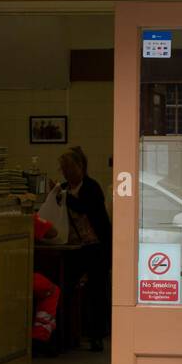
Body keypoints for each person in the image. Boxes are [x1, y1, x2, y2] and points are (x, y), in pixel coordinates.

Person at [58, 146, 111, 353]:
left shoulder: (92, 187)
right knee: (67, 287)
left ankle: (97, 336)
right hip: (75, 247)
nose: (67, 173)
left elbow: (84, 208)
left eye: (70, 168)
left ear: (81, 167)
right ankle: (66, 334)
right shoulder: (63, 189)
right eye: (63, 169)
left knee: (97, 292)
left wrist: (63, 196)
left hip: (96, 246)